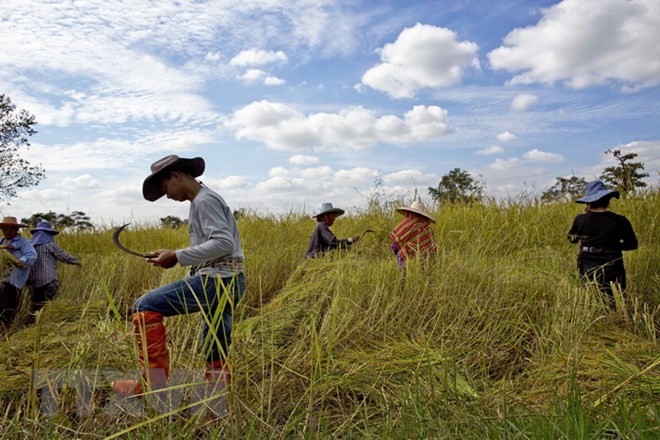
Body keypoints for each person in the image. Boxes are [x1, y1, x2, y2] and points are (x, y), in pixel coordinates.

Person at [111, 155, 246, 402]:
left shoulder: (204, 201)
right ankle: (217, 399)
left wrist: (177, 256)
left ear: (177, 176)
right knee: (215, 338)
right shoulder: (202, 200)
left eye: (165, 189)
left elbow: (224, 243)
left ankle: (153, 386)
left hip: (217, 281)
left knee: (144, 305)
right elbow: (214, 246)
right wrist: (175, 256)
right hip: (229, 279)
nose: (168, 196)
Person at [567, 180, 638, 308]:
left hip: (588, 263)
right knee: (616, 298)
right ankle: (618, 319)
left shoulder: (581, 219)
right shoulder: (620, 220)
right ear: (608, 200)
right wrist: (612, 245)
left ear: (589, 202)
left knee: (591, 296)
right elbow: (632, 244)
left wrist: (585, 216)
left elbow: (572, 239)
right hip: (613, 262)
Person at [27, 220, 81, 312]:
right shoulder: (49, 245)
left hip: (34, 283)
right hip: (49, 281)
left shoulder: (28, 247)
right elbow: (64, 256)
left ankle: (36, 324)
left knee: (37, 307)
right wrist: (76, 261)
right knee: (50, 307)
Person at [0, 216, 37, 330]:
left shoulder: (23, 242)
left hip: (14, 280)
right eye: (5, 229)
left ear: (16, 230)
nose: (8, 231)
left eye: (11, 229)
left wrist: (20, 261)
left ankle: (7, 328)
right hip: (3, 277)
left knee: (8, 304)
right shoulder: (1, 241)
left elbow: (32, 255)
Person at [389, 200, 436, 266]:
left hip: (405, 263)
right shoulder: (427, 227)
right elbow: (431, 247)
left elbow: (395, 246)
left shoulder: (405, 225)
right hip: (424, 264)